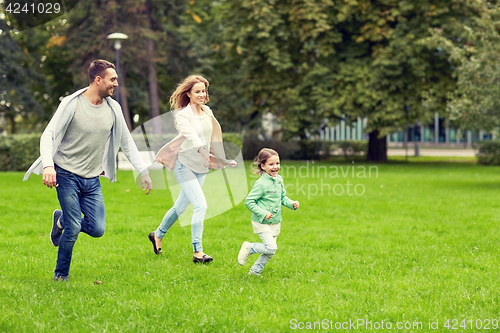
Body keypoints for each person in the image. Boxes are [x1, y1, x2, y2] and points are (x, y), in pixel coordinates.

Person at [23, 59, 153, 281]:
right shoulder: (72, 103)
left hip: (92, 178)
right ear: (98, 80)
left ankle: (59, 220)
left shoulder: (114, 108)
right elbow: (49, 134)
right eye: (112, 80)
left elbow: (126, 141)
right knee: (74, 227)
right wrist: (47, 165)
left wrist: (143, 170)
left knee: (97, 228)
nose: (116, 84)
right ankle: (60, 275)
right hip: (66, 174)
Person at [151, 75, 237, 263]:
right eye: (197, 91)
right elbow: (191, 135)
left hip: (201, 167)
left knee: (180, 207)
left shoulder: (207, 111)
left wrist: (221, 159)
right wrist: (201, 150)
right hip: (185, 165)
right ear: (188, 93)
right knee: (201, 205)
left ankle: (157, 234)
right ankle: (198, 252)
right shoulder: (182, 115)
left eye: (203, 91)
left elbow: (215, 136)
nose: (201, 94)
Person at [238, 148, 299, 276]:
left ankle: (254, 272)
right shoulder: (260, 184)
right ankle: (250, 247)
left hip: (275, 221)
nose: (275, 167)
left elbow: (282, 197)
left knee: (270, 251)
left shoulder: (279, 180)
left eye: (277, 163)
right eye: (271, 164)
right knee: (271, 248)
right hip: (262, 221)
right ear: (263, 166)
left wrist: (291, 203)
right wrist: (263, 213)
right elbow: (249, 201)